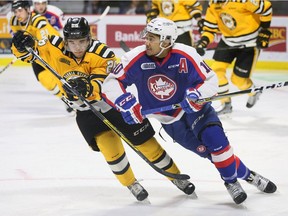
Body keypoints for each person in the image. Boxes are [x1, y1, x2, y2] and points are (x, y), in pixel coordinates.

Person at [11, 17, 196, 201]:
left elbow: (106, 82)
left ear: (89, 39)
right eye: (72, 42)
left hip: (113, 105)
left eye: (82, 41)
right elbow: (28, 54)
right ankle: (131, 183)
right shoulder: (52, 45)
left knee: (146, 143)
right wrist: (19, 45)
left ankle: (175, 177)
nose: (77, 47)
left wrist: (89, 87)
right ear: (65, 40)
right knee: (111, 151)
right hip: (85, 113)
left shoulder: (102, 53)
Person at [101, 17, 277, 205]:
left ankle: (231, 181)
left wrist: (197, 95)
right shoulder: (135, 58)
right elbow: (111, 83)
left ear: (166, 40)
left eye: (152, 38)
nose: (146, 42)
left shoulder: (186, 54)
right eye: (147, 37)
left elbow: (210, 80)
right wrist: (125, 102)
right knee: (211, 154)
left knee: (217, 143)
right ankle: (249, 175)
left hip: (196, 110)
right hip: (169, 121)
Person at [195, 0, 273, 115]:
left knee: (238, 80)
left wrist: (265, 30)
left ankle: (254, 92)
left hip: (249, 43)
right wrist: (203, 42)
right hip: (228, 41)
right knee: (216, 72)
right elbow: (210, 28)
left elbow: (266, 8)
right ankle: (226, 104)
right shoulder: (214, 3)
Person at [9, 0, 72, 112]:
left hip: (52, 51)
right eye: (15, 11)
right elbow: (18, 38)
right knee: (45, 80)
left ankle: (73, 97)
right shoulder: (14, 21)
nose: (17, 14)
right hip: (37, 54)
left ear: (28, 10)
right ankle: (65, 99)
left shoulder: (38, 20)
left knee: (62, 78)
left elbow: (46, 41)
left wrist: (32, 44)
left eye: (19, 11)